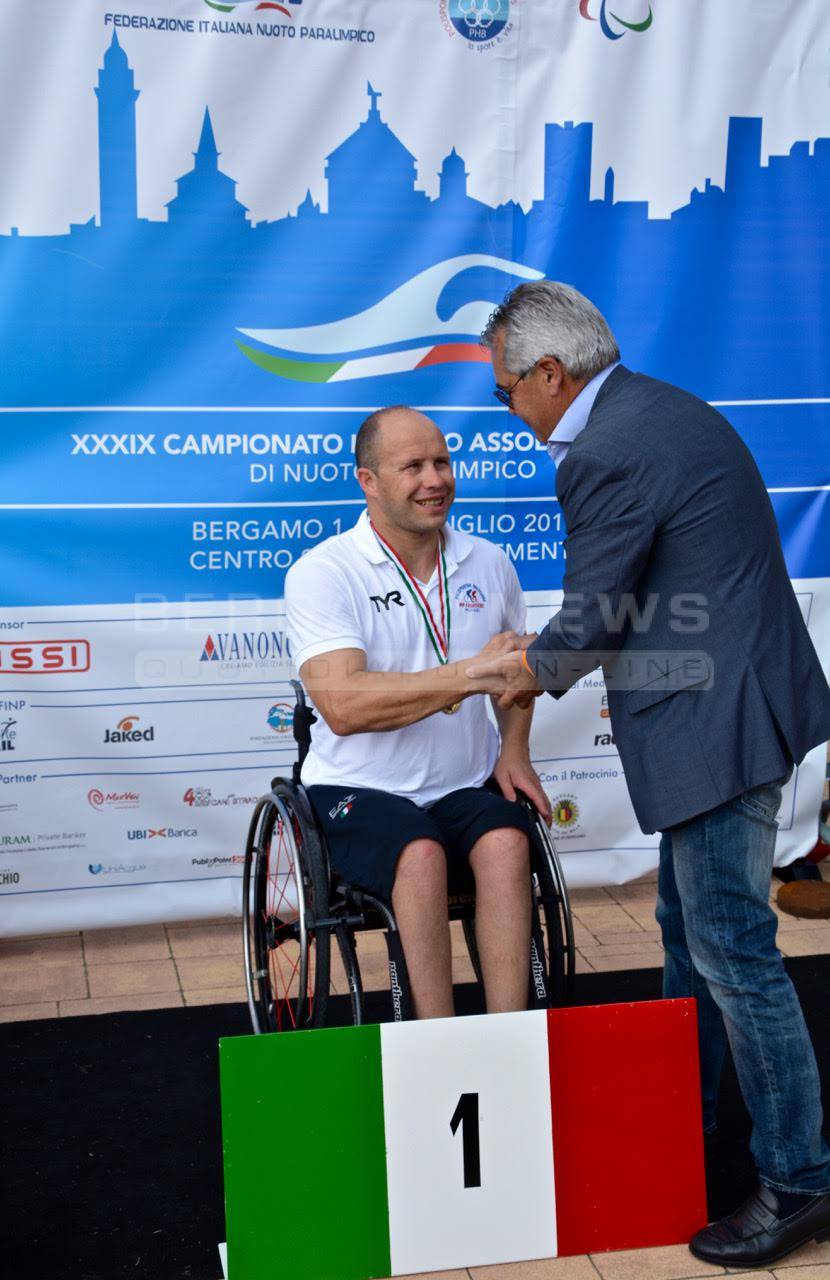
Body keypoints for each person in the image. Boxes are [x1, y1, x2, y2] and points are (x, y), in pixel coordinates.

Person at [467, 280, 830, 1267]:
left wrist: (503, 673)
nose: (507, 410)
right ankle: (690, 1132)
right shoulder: (654, 407)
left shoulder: (607, 445)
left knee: (730, 951)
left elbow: (590, 617)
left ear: (548, 373)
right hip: (726, 707)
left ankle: (797, 1178)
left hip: (716, 725)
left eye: (505, 393)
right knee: (691, 935)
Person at [284, 405, 551, 1021]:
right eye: (412, 467)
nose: (434, 479)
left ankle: (511, 1037)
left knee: (509, 842)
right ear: (368, 481)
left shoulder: (489, 561)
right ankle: (437, 1043)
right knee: (419, 853)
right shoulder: (324, 572)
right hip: (357, 789)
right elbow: (345, 707)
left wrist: (514, 750)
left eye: (441, 462)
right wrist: (470, 674)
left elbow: (516, 674)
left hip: (459, 784)